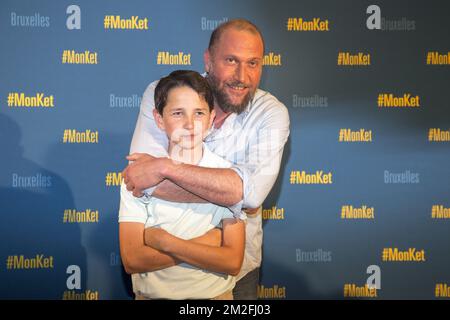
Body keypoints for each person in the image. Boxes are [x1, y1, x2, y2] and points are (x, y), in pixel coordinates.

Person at [121, 19, 290, 300]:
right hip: (160, 273)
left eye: (253, 63)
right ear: (208, 60)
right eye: (231, 60)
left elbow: (251, 196)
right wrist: (227, 194)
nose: (242, 76)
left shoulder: (272, 113)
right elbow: (140, 180)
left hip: (235, 274)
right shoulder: (162, 93)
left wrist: (164, 167)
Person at [119, 70, 245, 299]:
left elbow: (232, 261)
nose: (189, 124)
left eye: (198, 113)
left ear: (210, 118)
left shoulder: (227, 178)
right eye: (178, 113)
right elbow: (133, 259)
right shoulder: (139, 176)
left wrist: (164, 242)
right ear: (159, 119)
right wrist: (208, 242)